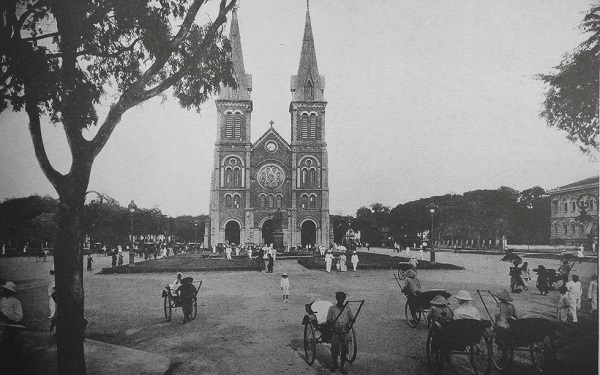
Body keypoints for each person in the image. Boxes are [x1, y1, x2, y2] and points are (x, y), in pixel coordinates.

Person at [327, 291, 355, 374]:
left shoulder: (347, 308)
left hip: (345, 332)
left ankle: (342, 367)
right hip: (336, 332)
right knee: (334, 349)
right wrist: (331, 322)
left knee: (344, 349)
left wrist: (352, 319)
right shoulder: (332, 308)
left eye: (342, 299)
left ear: (344, 299)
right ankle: (335, 364)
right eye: (339, 299)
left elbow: (351, 317)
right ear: (336, 299)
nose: (340, 301)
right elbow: (328, 319)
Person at [0, 281, 24, 373]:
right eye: (4, 290)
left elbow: (19, 316)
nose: (4, 291)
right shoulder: (1, 300)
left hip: (12, 328)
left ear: (11, 292)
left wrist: (8, 318)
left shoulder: (16, 302)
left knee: (12, 349)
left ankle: (14, 368)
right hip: (2, 328)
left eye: (6, 290)